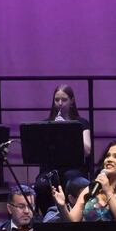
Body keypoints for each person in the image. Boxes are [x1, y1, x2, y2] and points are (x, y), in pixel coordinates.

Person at [33, 85, 92, 216]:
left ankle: (74, 216)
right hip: (50, 168)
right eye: (57, 100)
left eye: (64, 100)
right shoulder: (46, 123)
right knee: (41, 186)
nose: (60, 103)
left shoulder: (81, 122)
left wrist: (68, 128)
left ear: (72, 101)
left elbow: (87, 150)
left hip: (74, 168)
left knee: (72, 180)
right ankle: (48, 218)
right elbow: (40, 152)